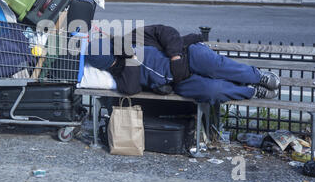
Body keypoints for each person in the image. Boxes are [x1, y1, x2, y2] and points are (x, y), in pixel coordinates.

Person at [86, 25, 280, 106]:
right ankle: (250, 91)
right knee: (212, 91)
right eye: (111, 62)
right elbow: (131, 89)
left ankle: (257, 76)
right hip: (180, 81)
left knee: (214, 66)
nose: (115, 61)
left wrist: (175, 57)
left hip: (187, 54)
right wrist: (129, 59)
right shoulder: (121, 73)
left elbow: (166, 32)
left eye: (114, 55)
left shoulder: (133, 36)